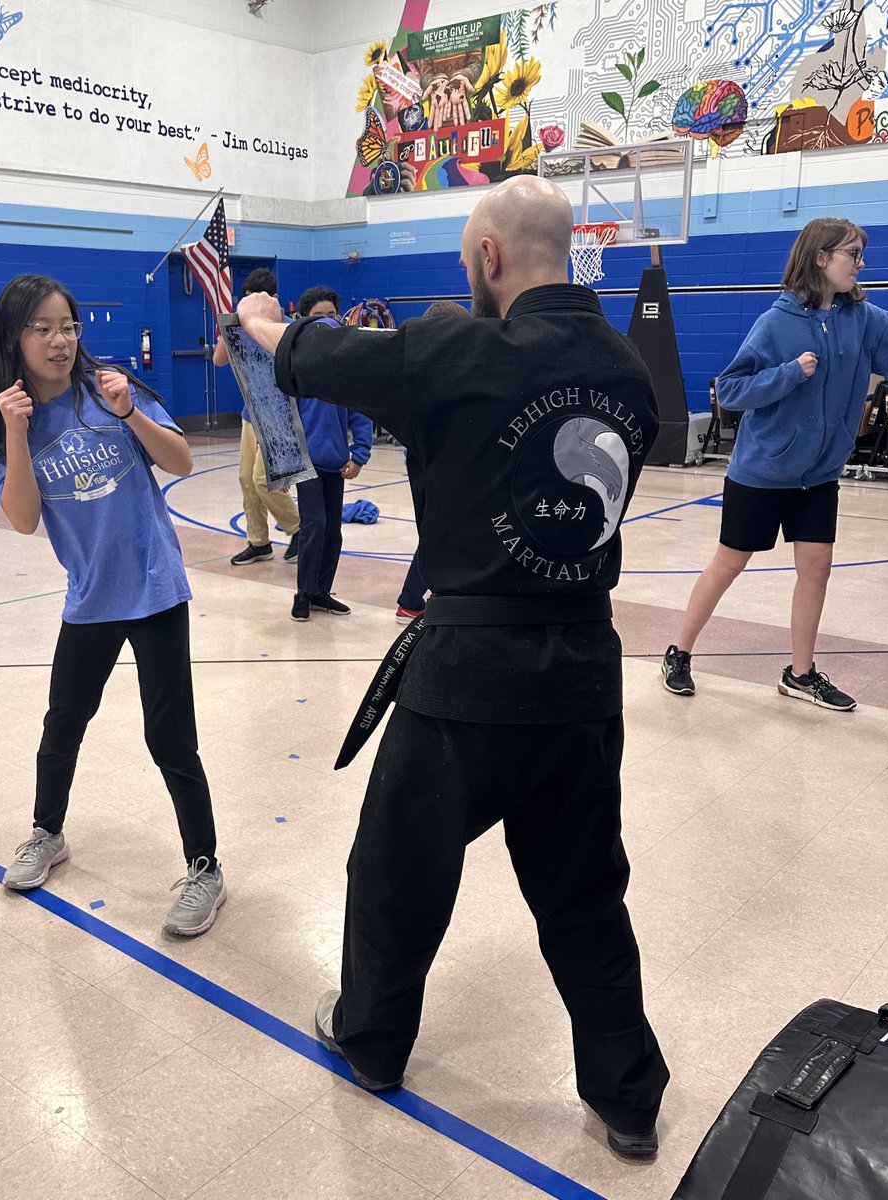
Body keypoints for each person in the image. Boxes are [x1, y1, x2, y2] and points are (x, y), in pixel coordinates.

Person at [237, 176, 669, 1157]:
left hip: (466, 678)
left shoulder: (453, 350)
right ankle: (629, 1094)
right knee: (584, 892)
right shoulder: (628, 370)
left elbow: (319, 353)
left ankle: (374, 1039)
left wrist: (261, 318)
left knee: (396, 870)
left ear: (487, 256)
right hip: (578, 678)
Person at [0, 275, 225, 936]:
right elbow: (24, 519)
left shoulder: (109, 388)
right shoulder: (13, 422)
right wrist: (17, 434)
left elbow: (183, 461)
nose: (60, 341)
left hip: (156, 588)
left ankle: (206, 869)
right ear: (14, 338)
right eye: (43, 328)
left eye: (69, 327)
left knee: (171, 738)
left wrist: (129, 413)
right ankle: (47, 834)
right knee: (63, 723)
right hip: (90, 599)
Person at [662, 218, 888, 711]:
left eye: (860, 254)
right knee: (730, 563)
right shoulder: (776, 322)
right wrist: (789, 374)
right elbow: (731, 389)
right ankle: (679, 652)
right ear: (821, 258)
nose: (860, 263)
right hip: (763, 471)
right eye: (852, 253)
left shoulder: (866, 319)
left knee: (817, 568)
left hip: (820, 475)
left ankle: (800, 673)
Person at [289, 286, 373, 622]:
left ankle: (322, 592)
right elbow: (283, 418)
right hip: (306, 462)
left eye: (330, 315)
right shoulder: (295, 366)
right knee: (315, 525)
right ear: (304, 320)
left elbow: (359, 411)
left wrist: (360, 453)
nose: (325, 323)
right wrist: (282, 466)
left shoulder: (344, 368)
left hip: (336, 462)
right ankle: (303, 592)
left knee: (333, 531)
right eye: (317, 317)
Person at [212, 267, 301, 566]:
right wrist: (232, 323)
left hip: (280, 416)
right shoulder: (243, 328)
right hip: (251, 415)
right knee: (245, 480)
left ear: (273, 300)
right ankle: (259, 541)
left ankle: (299, 529)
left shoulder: (287, 329)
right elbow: (218, 359)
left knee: (263, 480)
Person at [395, 300, 472, 624]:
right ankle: (411, 598)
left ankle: (430, 592)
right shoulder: (429, 370)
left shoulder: (435, 366)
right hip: (433, 459)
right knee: (438, 529)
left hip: (431, 458)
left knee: (442, 527)